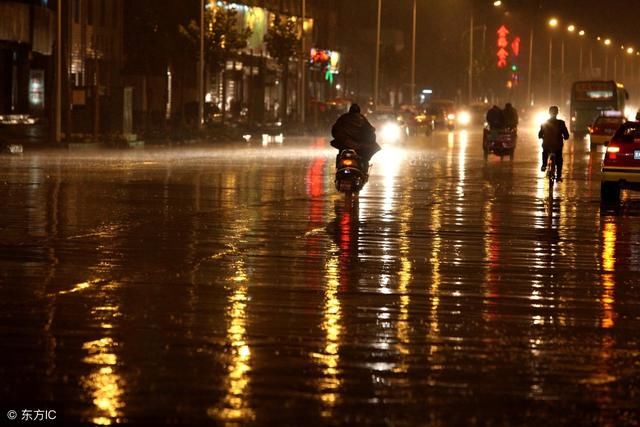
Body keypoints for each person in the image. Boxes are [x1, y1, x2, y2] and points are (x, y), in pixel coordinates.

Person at [331, 104, 380, 173]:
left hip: (344, 144)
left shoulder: (343, 118)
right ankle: (364, 171)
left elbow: (334, 130)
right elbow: (370, 130)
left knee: (340, 155)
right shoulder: (361, 118)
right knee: (365, 158)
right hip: (358, 146)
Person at [539, 106, 570, 182]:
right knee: (559, 159)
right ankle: (558, 176)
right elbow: (566, 135)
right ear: (557, 113)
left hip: (547, 144)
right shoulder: (561, 123)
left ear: (549, 113)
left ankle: (544, 165)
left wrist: (542, 137)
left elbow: (540, 134)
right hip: (557, 145)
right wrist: (565, 137)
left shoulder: (545, 123)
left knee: (545, 152)